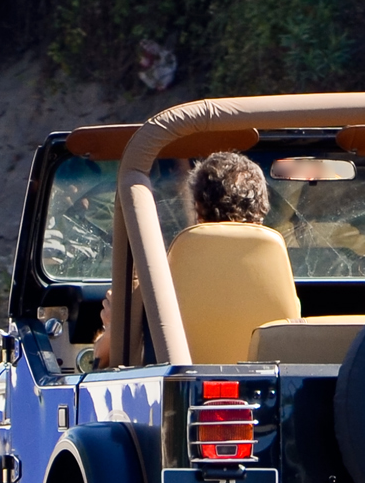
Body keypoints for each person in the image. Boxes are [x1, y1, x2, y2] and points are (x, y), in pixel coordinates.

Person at [93, 151, 269, 366]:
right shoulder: (278, 278)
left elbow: (101, 361)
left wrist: (113, 327)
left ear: (198, 209)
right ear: (261, 212)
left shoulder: (155, 284)